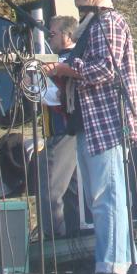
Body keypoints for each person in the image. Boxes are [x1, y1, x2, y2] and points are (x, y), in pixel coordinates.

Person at [44, 0, 137, 274]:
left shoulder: (109, 21)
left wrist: (63, 67)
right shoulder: (91, 25)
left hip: (106, 122)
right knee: (102, 198)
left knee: (107, 197)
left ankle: (113, 267)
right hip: (89, 122)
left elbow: (106, 70)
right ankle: (118, 264)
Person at [35, 14, 88, 241]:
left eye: (53, 33)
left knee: (50, 187)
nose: (50, 37)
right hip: (71, 131)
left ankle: (54, 240)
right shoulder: (74, 58)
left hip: (63, 131)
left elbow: (58, 97)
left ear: (68, 35)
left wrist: (33, 86)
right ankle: (75, 239)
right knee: (73, 191)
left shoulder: (67, 61)